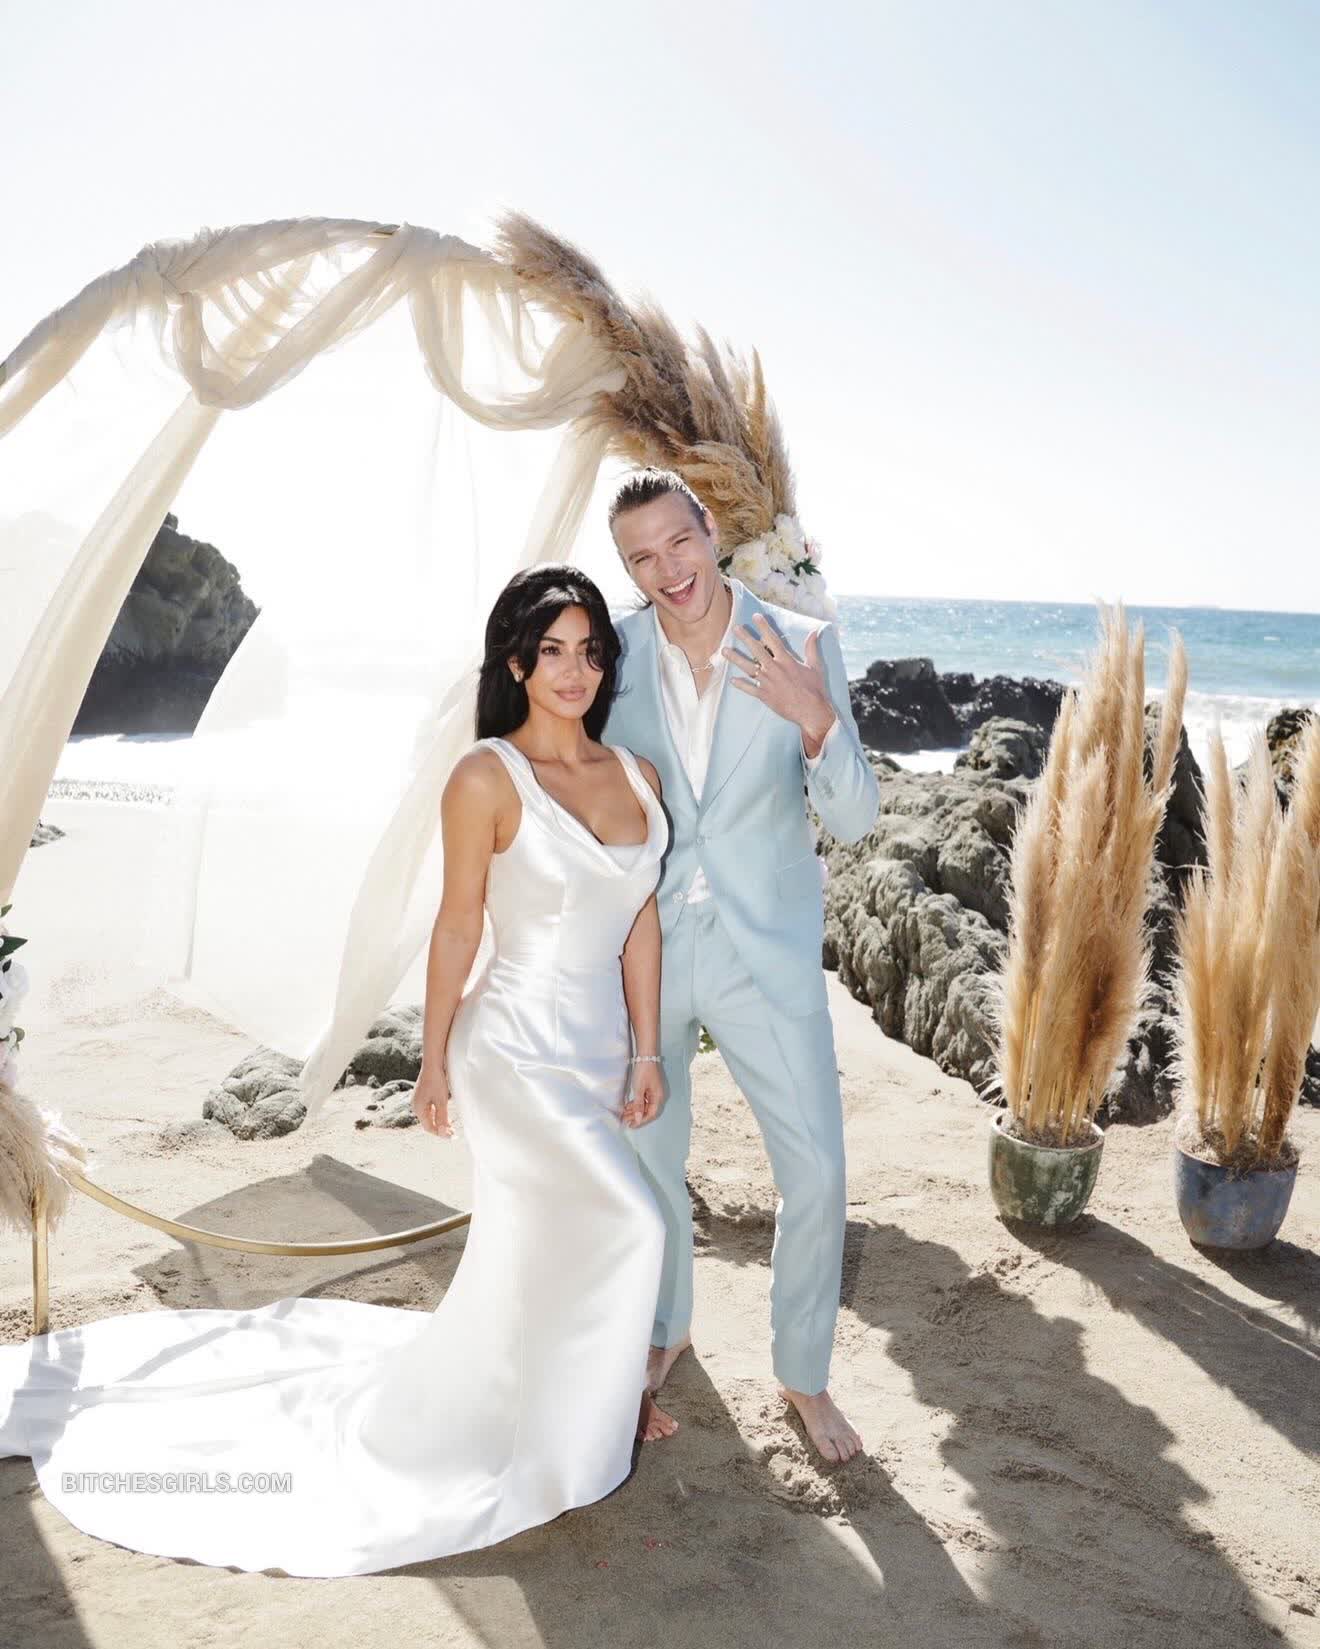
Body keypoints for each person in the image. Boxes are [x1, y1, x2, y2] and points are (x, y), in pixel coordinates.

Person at [0, 565, 676, 1577]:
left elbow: (641, 920)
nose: (573, 670)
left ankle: (587, 1399)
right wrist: (434, 1058)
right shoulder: (486, 776)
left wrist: (649, 1047)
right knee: (632, 1221)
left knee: (548, 1241)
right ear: (515, 664)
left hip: (597, 1051)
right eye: (552, 652)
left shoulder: (637, 775)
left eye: (589, 651)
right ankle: (574, 1431)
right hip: (513, 1052)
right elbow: (458, 926)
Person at [602, 468, 881, 1464]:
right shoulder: (611, 657)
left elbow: (856, 817)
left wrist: (817, 719)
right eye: (641, 556)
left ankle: (803, 1373)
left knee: (817, 1170)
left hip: (765, 952)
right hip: (645, 951)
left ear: (711, 529)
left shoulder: (799, 641)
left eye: (678, 541)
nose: (667, 569)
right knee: (648, 1161)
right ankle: (664, 1326)